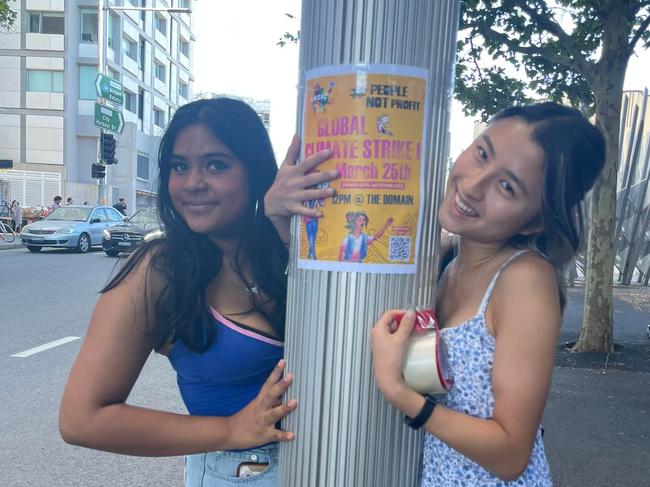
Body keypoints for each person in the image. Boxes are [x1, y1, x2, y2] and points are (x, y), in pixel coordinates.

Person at [59, 98, 336, 486]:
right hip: (239, 473)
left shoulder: (287, 245)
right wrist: (230, 430)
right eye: (179, 166)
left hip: (329, 466)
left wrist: (281, 229)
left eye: (216, 165)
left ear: (256, 173)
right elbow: (81, 419)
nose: (193, 183)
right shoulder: (159, 268)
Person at [370, 102, 606, 485]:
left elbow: (512, 453)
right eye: (482, 153)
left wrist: (401, 394)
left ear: (536, 219)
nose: (473, 184)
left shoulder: (525, 281)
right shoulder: (445, 258)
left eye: (507, 186)